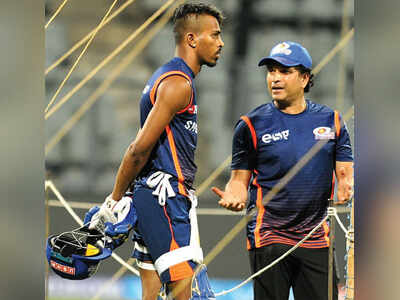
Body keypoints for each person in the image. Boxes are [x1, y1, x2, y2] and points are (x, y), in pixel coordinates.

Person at [92, 3, 224, 300]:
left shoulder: (165, 76)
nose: (221, 42)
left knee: (151, 295)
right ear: (192, 39)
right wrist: (113, 200)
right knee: (188, 294)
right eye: (214, 35)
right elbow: (138, 150)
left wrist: (126, 195)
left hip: (153, 195)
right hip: (165, 197)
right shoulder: (178, 84)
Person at [212, 41, 353, 300]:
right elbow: (238, 181)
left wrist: (346, 185)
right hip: (269, 235)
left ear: (305, 78)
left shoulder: (331, 121)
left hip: (316, 238)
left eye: (284, 71)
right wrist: (235, 194)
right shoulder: (250, 125)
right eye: (271, 71)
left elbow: (346, 172)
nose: (275, 78)